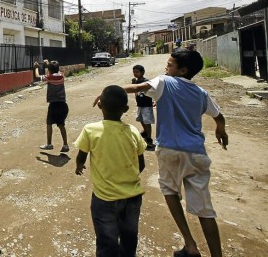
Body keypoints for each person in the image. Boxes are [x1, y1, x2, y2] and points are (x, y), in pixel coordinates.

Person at [121, 50, 228, 257]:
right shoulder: (201, 93)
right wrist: (220, 130)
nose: (165, 68)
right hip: (197, 155)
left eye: (169, 64)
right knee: (205, 210)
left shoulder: (164, 82)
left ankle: (190, 244)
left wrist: (109, 90)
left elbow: (136, 87)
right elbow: (219, 116)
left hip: (170, 150)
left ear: (183, 70)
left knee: (170, 192)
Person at [75, 85, 147, 257]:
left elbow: (81, 155)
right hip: (132, 197)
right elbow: (141, 164)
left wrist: (79, 166)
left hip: (104, 198)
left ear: (100, 105)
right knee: (129, 237)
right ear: (126, 109)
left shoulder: (90, 129)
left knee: (107, 240)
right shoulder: (133, 131)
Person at [39, 60, 70, 153]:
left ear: (49, 70)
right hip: (63, 104)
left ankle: (49, 144)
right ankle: (65, 145)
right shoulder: (61, 76)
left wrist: (36, 68)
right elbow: (54, 71)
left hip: (53, 105)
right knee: (61, 125)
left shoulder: (49, 77)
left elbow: (38, 76)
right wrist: (48, 64)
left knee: (49, 124)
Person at [131, 64, 156, 150]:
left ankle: (149, 139)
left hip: (146, 105)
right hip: (140, 104)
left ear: (142, 72)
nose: (135, 74)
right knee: (140, 119)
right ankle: (145, 132)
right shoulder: (135, 81)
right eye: (134, 72)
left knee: (147, 121)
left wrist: (155, 101)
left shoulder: (147, 81)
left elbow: (153, 91)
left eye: (137, 72)